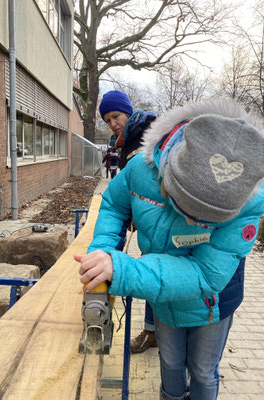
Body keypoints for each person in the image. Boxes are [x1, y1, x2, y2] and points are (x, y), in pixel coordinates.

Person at [75, 98, 264, 400]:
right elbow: (115, 203)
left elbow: (207, 275)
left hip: (212, 304)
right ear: (172, 170)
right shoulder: (142, 168)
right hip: (162, 295)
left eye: (210, 220)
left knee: (204, 371)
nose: (195, 222)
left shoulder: (251, 202)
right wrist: (101, 251)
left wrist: (123, 269)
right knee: (169, 362)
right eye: (188, 208)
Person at [99, 89, 158, 352]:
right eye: (108, 120)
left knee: (155, 271)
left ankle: (154, 331)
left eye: (116, 116)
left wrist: (140, 210)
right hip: (145, 216)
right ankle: (158, 330)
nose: (112, 124)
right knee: (152, 268)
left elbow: (153, 183)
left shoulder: (146, 135)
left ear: (128, 112)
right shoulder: (126, 139)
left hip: (159, 219)